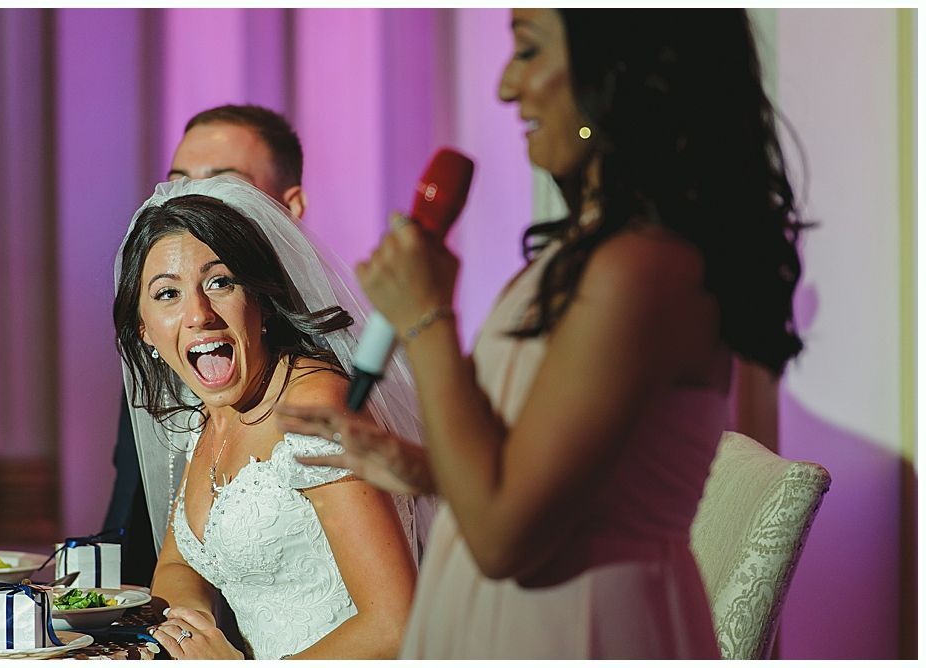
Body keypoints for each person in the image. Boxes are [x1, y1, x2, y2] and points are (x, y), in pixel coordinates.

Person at [277, 8, 806, 659]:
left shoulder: (643, 269)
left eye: (527, 51)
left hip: (583, 623)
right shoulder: (585, 253)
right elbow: (546, 477)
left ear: (617, 69)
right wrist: (419, 467)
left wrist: (427, 318)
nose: (505, 85)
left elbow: (505, 537)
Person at [113, 175, 421, 658]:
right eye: (168, 294)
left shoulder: (315, 408)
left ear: (261, 301)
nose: (199, 314)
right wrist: (191, 633)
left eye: (220, 282)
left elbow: (396, 623)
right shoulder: (208, 416)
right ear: (144, 330)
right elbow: (179, 565)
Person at [102, 104, 308, 586]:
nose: (192, 202)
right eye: (178, 183)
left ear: (290, 207)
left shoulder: (321, 385)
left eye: (222, 185)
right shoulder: (168, 348)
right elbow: (133, 524)